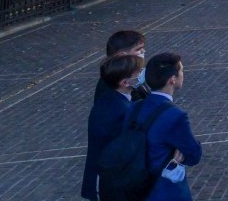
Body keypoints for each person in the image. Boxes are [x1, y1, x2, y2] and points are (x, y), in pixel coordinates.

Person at [135, 52, 202, 201]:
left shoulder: (135, 107)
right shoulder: (175, 115)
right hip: (163, 189)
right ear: (172, 79)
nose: (183, 74)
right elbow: (193, 154)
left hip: (137, 185)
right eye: (181, 71)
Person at [82, 53, 144, 200]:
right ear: (125, 82)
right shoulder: (122, 110)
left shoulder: (109, 99)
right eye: (139, 72)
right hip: (111, 182)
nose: (142, 74)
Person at [93, 30, 148, 101]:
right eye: (138, 49)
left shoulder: (129, 73)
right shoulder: (117, 88)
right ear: (122, 55)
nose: (143, 51)